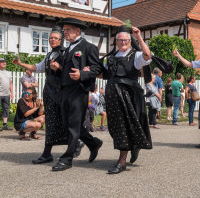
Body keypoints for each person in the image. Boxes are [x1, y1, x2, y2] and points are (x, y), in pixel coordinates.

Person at [15, 26, 85, 164]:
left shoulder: (66, 53)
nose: (53, 40)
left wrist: (58, 67)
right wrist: (21, 63)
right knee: (53, 121)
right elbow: (37, 67)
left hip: (60, 92)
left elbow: (72, 71)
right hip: (49, 91)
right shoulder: (49, 55)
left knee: (62, 120)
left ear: (61, 40)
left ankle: (73, 143)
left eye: (56, 38)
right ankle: (62, 148)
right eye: (51, 38)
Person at [50, 18, 103, 172]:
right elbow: (67, 71)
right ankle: (93, 143)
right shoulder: (67, 49)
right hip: (65, 90)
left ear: (77, 31)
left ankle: (67, 158)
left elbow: (96, 69)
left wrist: (82, 74)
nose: (64, 32)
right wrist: (58, 67)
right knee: (69, 124)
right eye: (64, 29)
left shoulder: (88, 47)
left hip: (79, 91)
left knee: (73, 125)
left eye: (68, 29)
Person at [101, 25, 152, 174]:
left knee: (126, 127)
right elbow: (104, 75)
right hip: (113, 98)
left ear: (130, 41)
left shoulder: (135, 56)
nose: (123, 43)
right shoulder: (110, 58)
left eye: (126, 40)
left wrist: (139, 38)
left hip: (130, 97)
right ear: (116, 41)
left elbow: (148, 56)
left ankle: (122, 161)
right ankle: (133, 147)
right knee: (117, 128)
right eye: (120, 40)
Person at [0, 57, 13, 131]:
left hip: (7, 94)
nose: (4, 63)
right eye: (2, 62)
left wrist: (12, 93)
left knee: (6, 109)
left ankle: (5, 125)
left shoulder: (8, 73)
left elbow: (10, 83)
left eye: (4, 62)